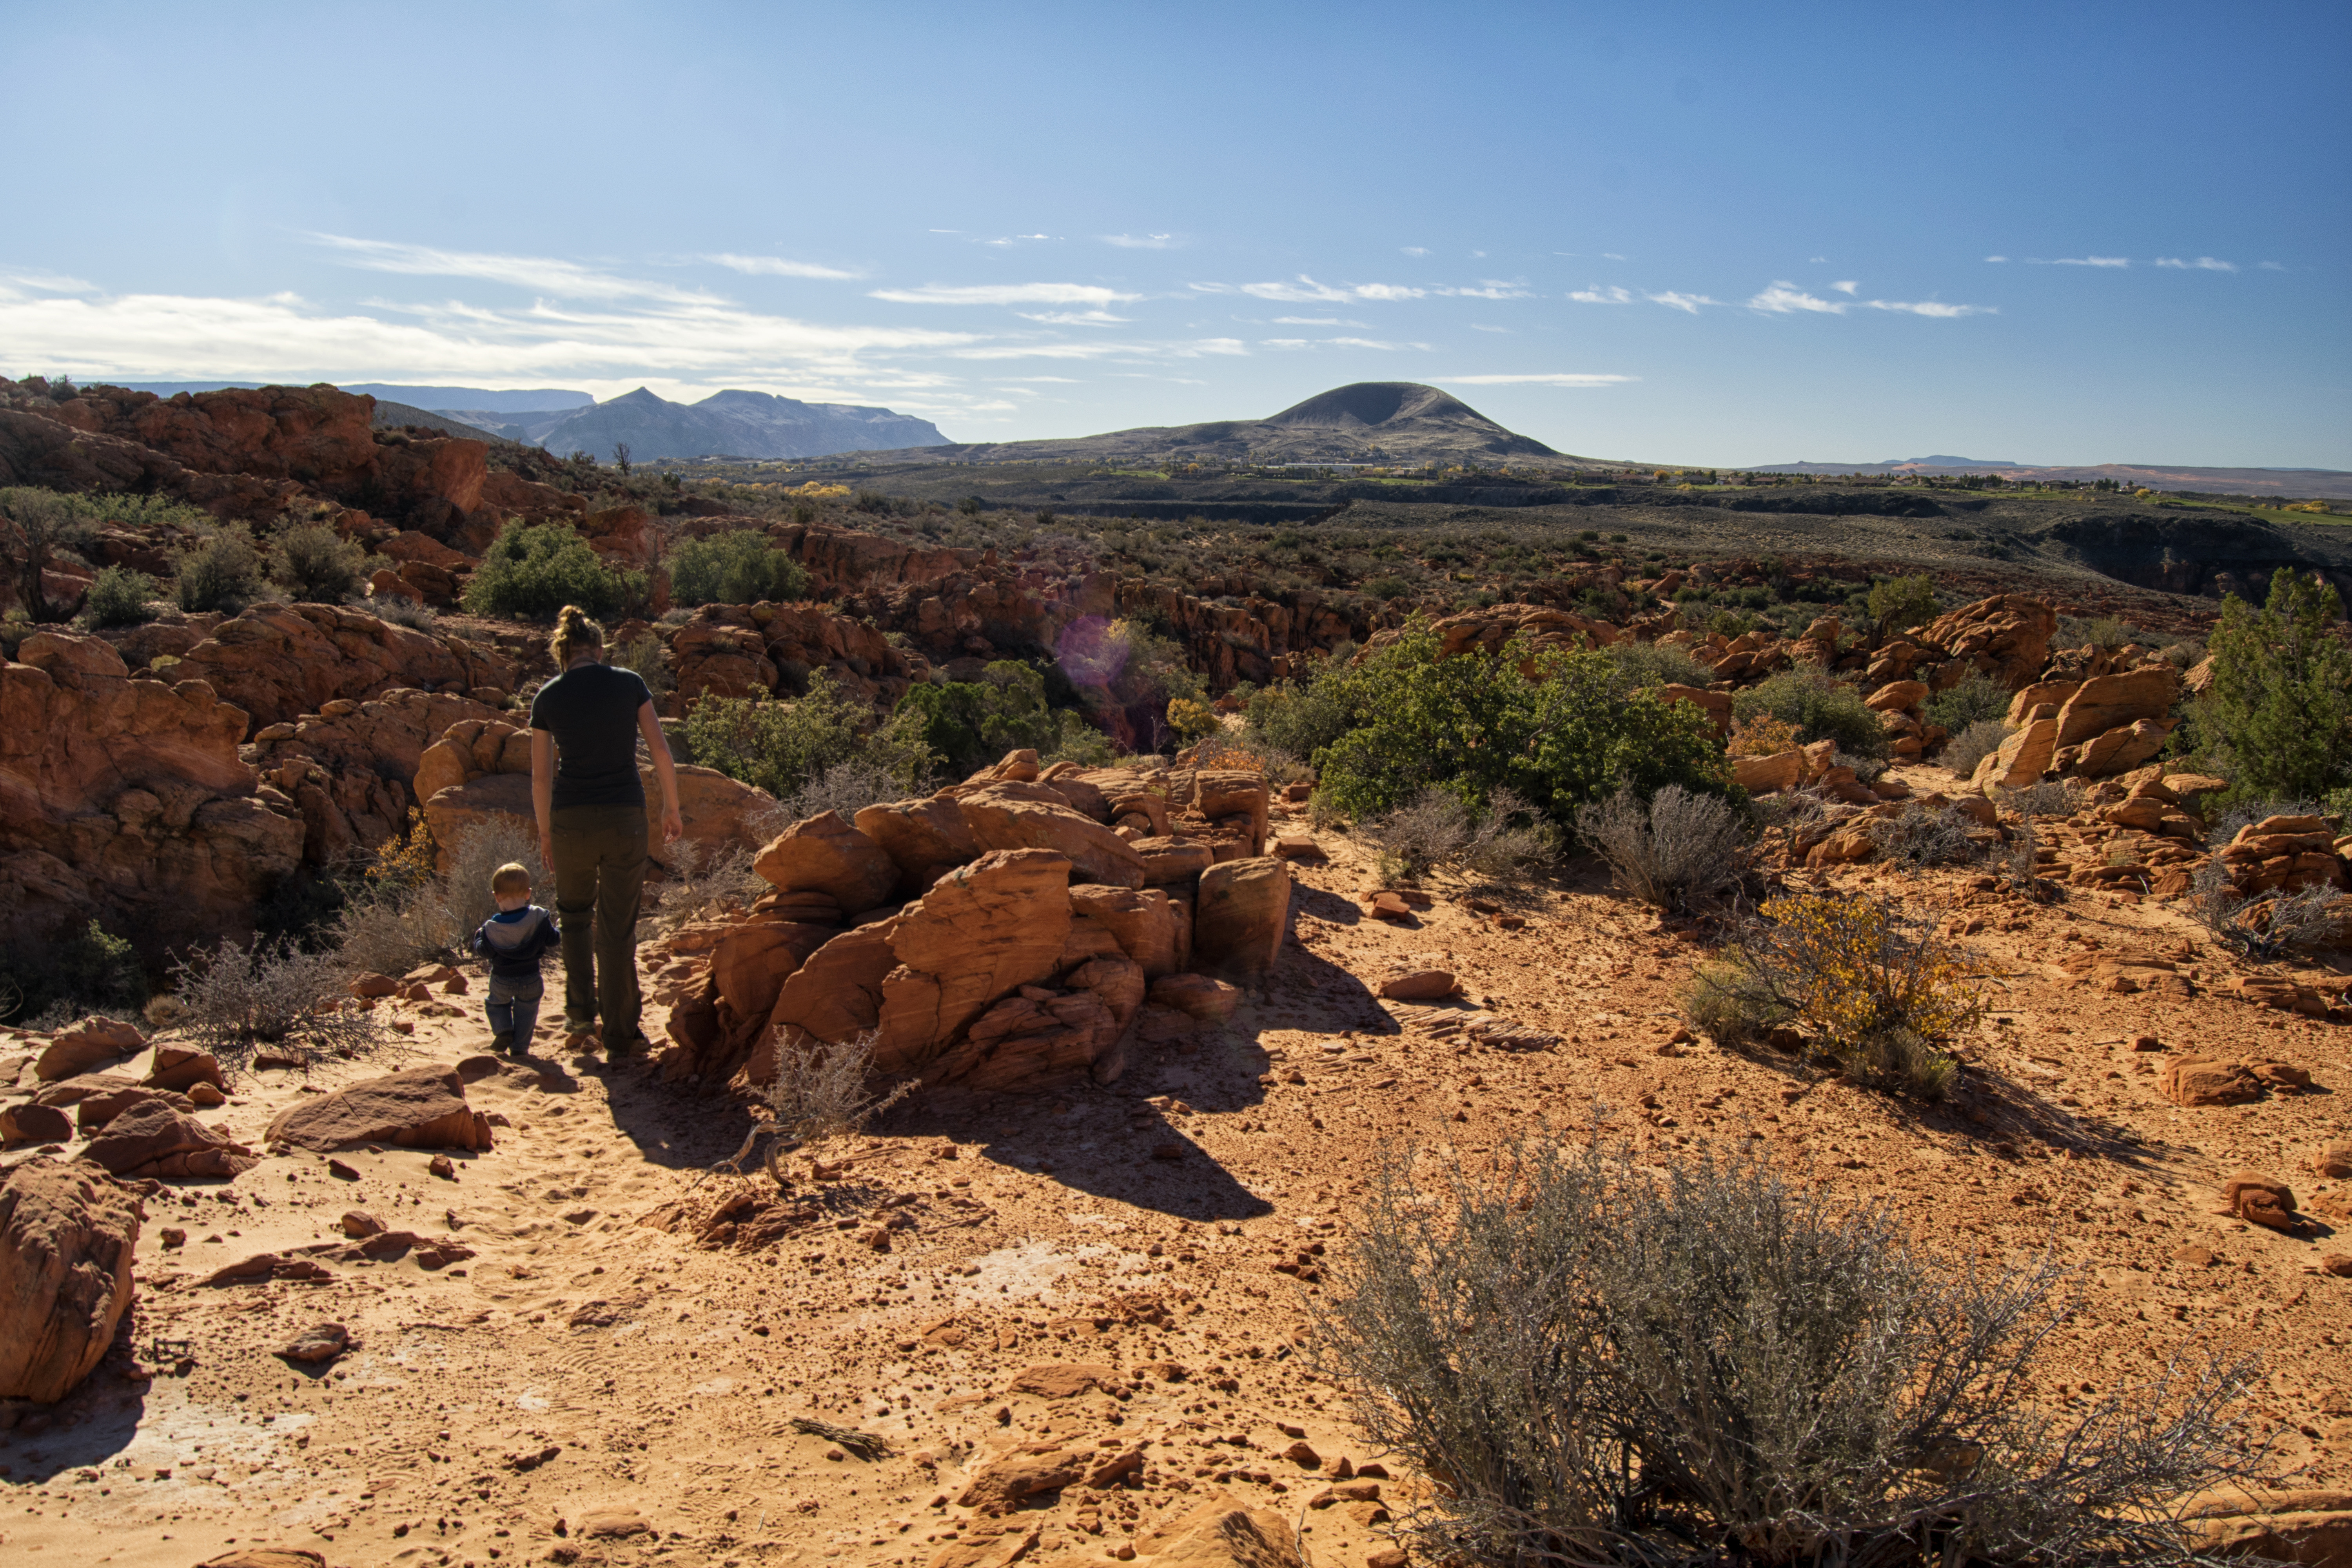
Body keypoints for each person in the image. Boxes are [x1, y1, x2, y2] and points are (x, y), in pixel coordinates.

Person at [528, 604, 684, 1061]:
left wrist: (544, 834)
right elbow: (659, 748)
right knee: (617, 929)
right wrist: (671, 807)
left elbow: (540, 777)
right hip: (624, 817)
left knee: (574, 916)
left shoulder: (548, 696)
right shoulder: (629, 683)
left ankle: (579, 1019)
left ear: (564, 653)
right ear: (599, 648)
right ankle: (620, 1034)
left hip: (569, 820)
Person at [469, 862, 560, 1056]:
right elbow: (554, 940)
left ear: (497, 896)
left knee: (496, 1004)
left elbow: (484, 952)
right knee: (527, 1011)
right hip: (532, 977)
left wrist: (478, 938)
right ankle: (519, 1048)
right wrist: (560, 927)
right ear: (528, 893)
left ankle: (503, 1030)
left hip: (502, 979)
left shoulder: (491, 928)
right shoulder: (539, 917)